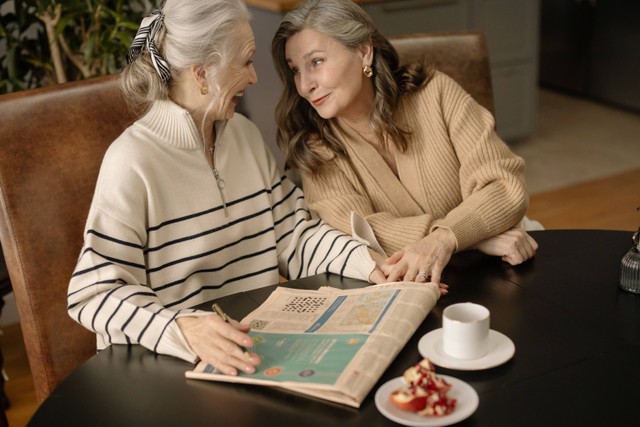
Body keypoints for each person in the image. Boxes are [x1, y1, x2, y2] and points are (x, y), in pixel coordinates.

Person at [67, 0, 389, 378]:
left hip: (256, 352)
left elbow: (294, 238)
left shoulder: (245, 137)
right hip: (171, 368)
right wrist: (182, 329)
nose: (254, 78)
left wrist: (369, 263)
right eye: (245, 61)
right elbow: (93, 293)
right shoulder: (132, 161)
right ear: (202, 73)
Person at [271, 0, 538, 286]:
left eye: (317, 62)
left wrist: (448, 237)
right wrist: (469, 238)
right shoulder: (314, 146)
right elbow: (363, 233)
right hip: (421, 282)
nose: (304, 85)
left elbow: (504, 187)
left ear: (363, 51)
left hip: (502, 263)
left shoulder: (436, 93)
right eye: (296, 69)